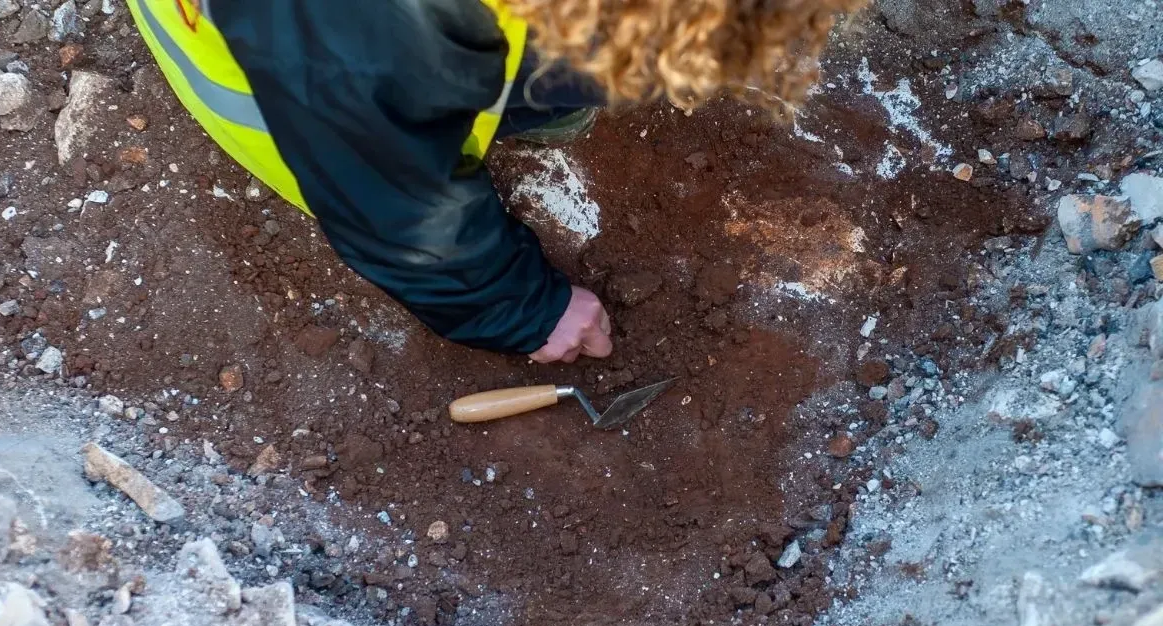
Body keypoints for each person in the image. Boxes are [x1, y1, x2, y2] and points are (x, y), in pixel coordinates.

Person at [128, 0, 860, 363]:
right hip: (301, 98)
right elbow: (388, 191)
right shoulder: (368, 32)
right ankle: (518, 99)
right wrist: (518, 307)